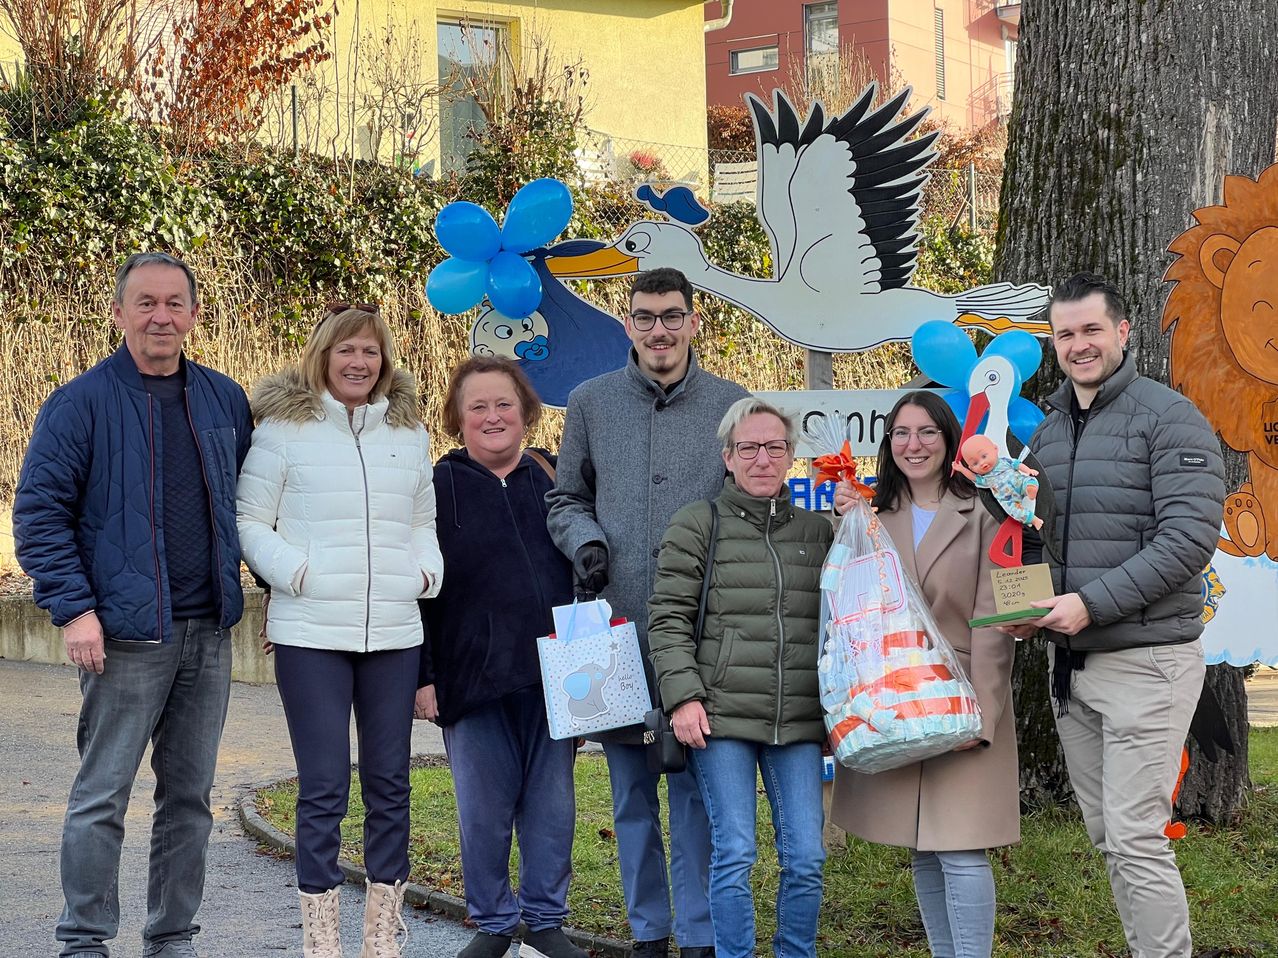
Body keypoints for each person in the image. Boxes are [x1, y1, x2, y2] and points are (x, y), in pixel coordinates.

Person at [13, 252, 253, 958]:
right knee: (101, 799)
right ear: (118, 313)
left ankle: (171, 938)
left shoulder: (223, 400)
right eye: (145, 303)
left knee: (189, 802)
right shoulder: (79, 403)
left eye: (175, 303)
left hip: (208, 634)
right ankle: (84, 940)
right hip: (122, 639)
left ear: (195, 314)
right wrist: (73, 609)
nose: (160, 317)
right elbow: (39, 514)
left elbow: (257, 506)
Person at [1003, 273, 1225, 958]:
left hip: (1147, 665)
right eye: (1065, 334)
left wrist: (1090, 604)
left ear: (1123, 333)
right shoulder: (1049, 427)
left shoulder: (1170, 418)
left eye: (1091, 330)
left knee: (1135, 837)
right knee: (1112, 839)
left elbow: (1187, 540)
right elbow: (1031, 531)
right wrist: (1024, 609)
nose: (1079, 345)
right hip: (1071, 667)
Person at [546, 266, 748, 958]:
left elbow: (747, 504)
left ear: (694, 322)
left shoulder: (732, 404)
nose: (658, 329)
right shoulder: (590, 401)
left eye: (671, 315)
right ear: (628, 323)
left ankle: (697, 934)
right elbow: (564, 498)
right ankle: (648, 935)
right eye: (644, 316)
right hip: (609, 626)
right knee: (630, 796)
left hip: (702, 633)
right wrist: (587, 544)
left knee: (697, 793)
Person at [236, 304, 443, 958]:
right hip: (310, 636)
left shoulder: (407, 434)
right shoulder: (282, 430)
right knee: (323, 788)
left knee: (390, 787)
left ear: (385, 361)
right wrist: (294, 573)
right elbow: (249, 522)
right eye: (347, 350)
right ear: (323, 355)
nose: (359, 363)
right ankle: (321, 945)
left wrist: (425, 573)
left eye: (371, 352)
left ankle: (382, 941)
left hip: (394, 634)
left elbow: (421, 523)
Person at [828, 391, 1019, 958]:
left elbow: (995, 618)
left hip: (963, 697)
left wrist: (982, 713)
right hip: (893, 703)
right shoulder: (870, 517)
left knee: (960, 848)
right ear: (888, 445)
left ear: (949, 439)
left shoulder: (987, 510)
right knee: (923, 845)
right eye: (901, 434)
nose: (914, 445)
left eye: (927, 432)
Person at [647, 398, 833, 958]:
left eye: (773, 447)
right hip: (721, 716)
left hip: (796, 718)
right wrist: (683, 697)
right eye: (748, 448)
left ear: (790, 456)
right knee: (736, 852)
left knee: (805, 856)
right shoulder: (698, 523)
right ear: (728, 457)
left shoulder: (817, 531)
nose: (761, 459)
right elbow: (668, 617)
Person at [416, 357, 584, 958]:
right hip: (470, 677)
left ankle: (543, 921)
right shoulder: (435, 488)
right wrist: (424, 675)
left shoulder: (557, 478)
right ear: (457, 419)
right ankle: (492, 924)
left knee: (552, 807)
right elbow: (415, 590)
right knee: (483, 813)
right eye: (478, 406)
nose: (493, 416)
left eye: (504, 404)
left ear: (526, 412)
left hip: (556, 677)